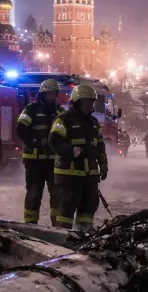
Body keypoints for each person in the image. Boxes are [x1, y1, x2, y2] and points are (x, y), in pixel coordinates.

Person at [49, 84, 108, 231]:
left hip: (90, 177)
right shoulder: (63, 120)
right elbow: (54, 141)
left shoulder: (93, 123)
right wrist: (70, 150)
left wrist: (103, 165)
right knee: (66, 209)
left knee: (88, 209)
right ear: (76, 102)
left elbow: (99, 146)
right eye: (86, 102)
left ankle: (83, 235)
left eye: (91, 102)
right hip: (69, 177)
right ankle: (64, 238)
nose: (89, 106)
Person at [15, 79, 63, 225]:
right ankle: (31, 225)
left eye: (54, 94)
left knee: (57, 195)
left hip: (54, 163)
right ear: (42, 94)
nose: (52, 96)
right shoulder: (30, 110)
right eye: (49, 93)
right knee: (34, 195)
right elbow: (20, 129)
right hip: (34, 162)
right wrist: (35, 141)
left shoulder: (60, 112)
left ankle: (57, 226)